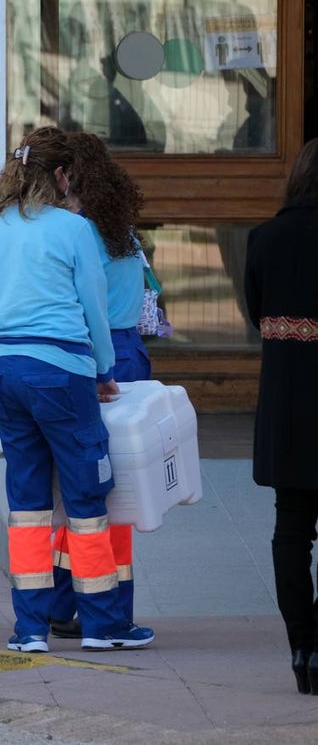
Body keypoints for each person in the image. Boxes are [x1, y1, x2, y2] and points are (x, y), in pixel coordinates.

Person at [0, 125, 154, 653]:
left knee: (26, 506)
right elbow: (93, 307)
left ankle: (30, 630)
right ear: (61, 175)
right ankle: (103, 625)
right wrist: (102, 371)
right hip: (62, 374)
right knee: (86, 501)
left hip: (2, 371)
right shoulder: (72, 230)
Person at [49, 131, 149, 641]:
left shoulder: (74, 230)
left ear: (65, 176)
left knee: (80, 491)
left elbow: (75, 304)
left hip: (92, 359)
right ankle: (111, 607)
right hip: (129, 355)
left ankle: (70, 603)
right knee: (116, 494)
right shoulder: (122, 230)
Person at [244, 137, 318, 695]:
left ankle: (301, 644)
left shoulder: (264, 238)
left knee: (290, 531)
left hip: (288, 406)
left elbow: (257, 314)